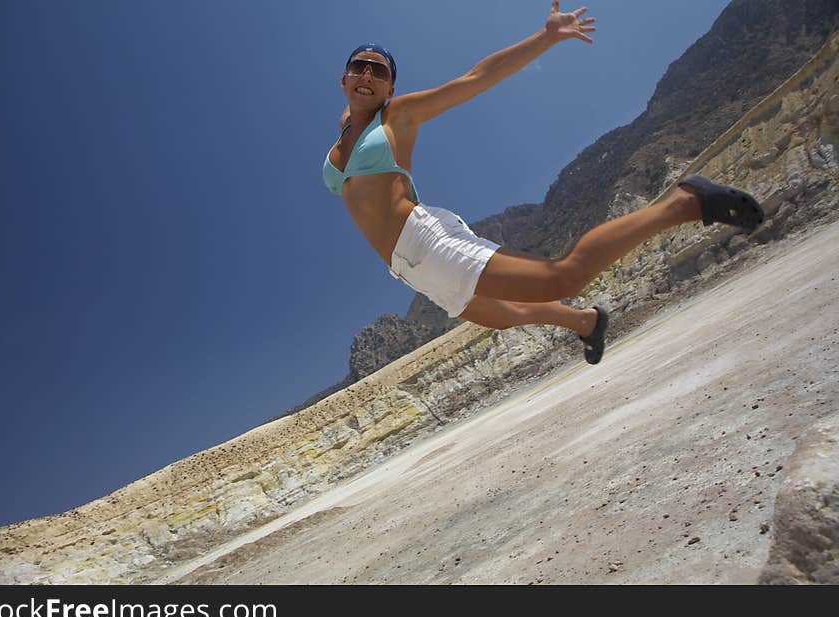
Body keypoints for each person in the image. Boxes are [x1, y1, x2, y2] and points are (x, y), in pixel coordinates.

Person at [323, 1, 763, 365]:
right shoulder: (345, 131)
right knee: (499, 315)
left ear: (390, 89)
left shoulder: (396, 117)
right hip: (405, 266)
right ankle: (588, 322)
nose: (367, 75)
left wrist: (547, 36)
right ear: (344, 79)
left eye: (378, 72)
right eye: (359, 67)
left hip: (426, 241)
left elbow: (477, 78)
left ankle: (685, 202)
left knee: (563, 276)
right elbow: (351, 124)